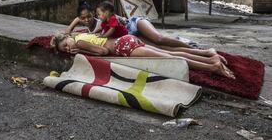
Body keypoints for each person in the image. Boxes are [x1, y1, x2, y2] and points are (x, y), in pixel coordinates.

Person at [50, 33, 235, 79]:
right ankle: (210, 57)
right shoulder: (81, 35)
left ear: (68, 37)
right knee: (168, 53)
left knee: (168, 58)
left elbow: (104, 52)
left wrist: (81, 51)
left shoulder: (80, 42)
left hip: (123, 46)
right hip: (126, 41)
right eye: (64, 50)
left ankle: (212, 67)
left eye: (66, 45)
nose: (68, 49)